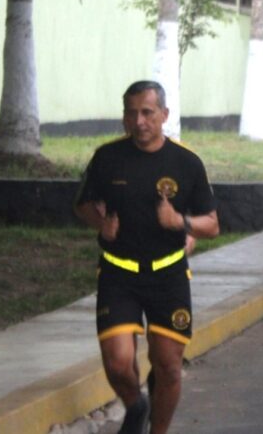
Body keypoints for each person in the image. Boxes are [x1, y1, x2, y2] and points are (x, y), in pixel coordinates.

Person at [74, 80, 220, 434]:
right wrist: (101, 224)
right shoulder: (107, 157)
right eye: (131, 113)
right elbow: (83, 205)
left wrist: (180, 222)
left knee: (168, 365)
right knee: (118, 363)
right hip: (118, 273)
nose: (138, 121)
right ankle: (136, 405)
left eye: (147, 113)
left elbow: (212, 224)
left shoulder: (186, 162)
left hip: (168, 275)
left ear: (164, 115)